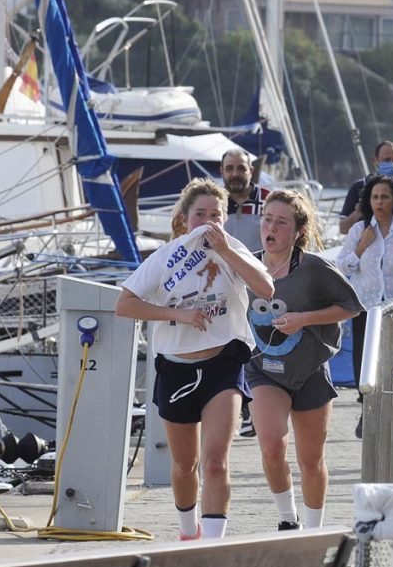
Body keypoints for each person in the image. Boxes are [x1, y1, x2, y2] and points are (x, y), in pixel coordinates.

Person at [116, 178, 275, 540]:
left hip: (223, 363)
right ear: (185, 218)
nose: (208, 222)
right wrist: (180, 315)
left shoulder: (232, 249)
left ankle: (213, 546)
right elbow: (124, 305)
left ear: (225, 218)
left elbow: (266, 288)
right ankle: (189, 533)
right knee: (185, 464)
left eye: (215, 215)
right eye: (200, 214)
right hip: (176, 367)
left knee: (215, 461)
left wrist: (227, 251)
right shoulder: (166, 256)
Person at [245, 190, 362, 530]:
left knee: (310, 460)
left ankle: (313, 530)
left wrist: (304, 319)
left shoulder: (314, 268)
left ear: (297, 231)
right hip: (262, 370)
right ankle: (287, 519)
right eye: (267, 219)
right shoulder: (247, 266)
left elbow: (350, 307)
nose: (271, 227)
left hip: (309, 369)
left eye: (281, 222)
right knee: (270, 444)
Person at [336, 176, 393, 438]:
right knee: (364, 364)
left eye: (384, 196)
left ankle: (392, 414)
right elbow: (343, 267)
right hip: (366, 306)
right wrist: (362, 247)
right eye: (375, 197)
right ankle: (367, 411)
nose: (379, 202)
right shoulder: (359, 230)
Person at [220, 147, 267, 439]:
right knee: (228, 349)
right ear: (222, 171)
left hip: (259, 285)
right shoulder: (215, 201)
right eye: (230, 169)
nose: (235, 174)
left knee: (258, 349)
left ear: (251, 170)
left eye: (241, 168)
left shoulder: (267, 201)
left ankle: (254, 410)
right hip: (222, 286)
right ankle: (237, 409)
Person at [338, 141, 393, 235]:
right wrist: (360, 211)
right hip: (367, 244)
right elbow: (343, 229)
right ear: (375, 161)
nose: (392, 164)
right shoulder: (359, 186)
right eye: (387, 160)